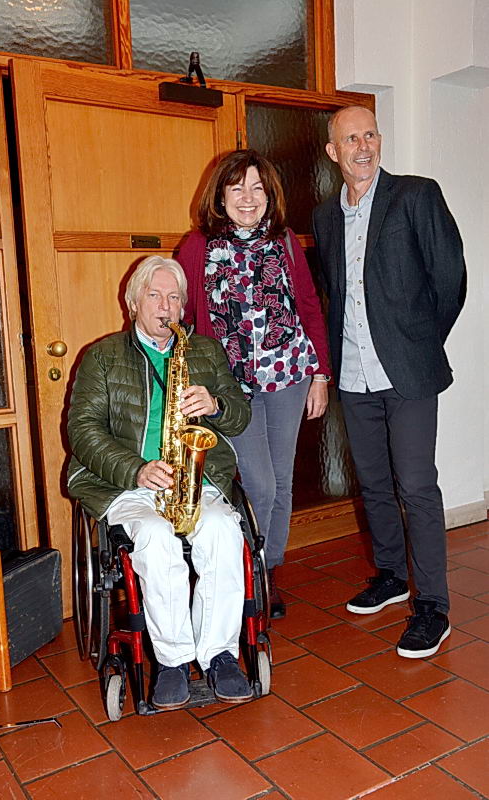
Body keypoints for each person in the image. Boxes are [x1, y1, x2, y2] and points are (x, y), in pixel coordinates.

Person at [313, 105, 466, 658]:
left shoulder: (416, 195)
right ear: (333, 152)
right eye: (351, 139)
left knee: (417, 487)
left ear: (379, 140)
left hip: (407, 374)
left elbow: (450, 278)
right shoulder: (325, 217)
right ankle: (392, 576)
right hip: (353, 374)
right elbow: (332, 292)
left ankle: (433, 607)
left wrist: (418, 343)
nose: (363, 147)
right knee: (374, 484)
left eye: (370, 135)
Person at [67, 255, 253, 709]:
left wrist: (215, 404)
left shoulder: (204, 351)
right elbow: (83, 431)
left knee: (223, 531)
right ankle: (173, 662)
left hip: (195, 477)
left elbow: (240, 416)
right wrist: (136, 468)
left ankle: (220, 655)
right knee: (155, 537)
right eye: (154, 295)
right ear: (133, 302)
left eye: (174, 297)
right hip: (126, 483)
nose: (165, 306)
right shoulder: (102, 356)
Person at [178, 149, 331, 619]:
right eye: (237, 187)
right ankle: (244, 570)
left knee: (281, 479)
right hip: (230, 387)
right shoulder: (198, 245)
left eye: (258, 188)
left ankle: (267, 569)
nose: (248, 197)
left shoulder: (283, 241)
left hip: (288, 374)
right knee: (259, 484)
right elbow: (183, 316)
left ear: (269, 195)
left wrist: (320, 374)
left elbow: (308, 306)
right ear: (220, 195)